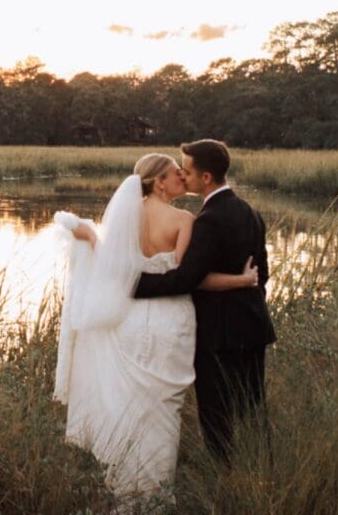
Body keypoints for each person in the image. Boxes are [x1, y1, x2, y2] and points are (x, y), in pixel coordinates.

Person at [53, 153, 257, 500]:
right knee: (163, 406)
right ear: (159, 182)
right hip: (170, 321)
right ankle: (155, 493)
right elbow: (189, 279)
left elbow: (115, 267)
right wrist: (242, 280)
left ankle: (126, 484)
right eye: (176, 174)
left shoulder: (126, 217)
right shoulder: (184, 219)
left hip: (131, 320)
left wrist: (91, 238)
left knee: (133, 401)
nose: (182, 177)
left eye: (184, 172)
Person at [133, 139, 276, 462]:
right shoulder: (251, 213)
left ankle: (224, 478)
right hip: (254, 327)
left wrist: (135, 286)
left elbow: (187, 278)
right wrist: (244, 290)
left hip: (218, 333)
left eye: (187, 170)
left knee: (216, 414)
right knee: (252, 408)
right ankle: (261, 471)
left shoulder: (209, 220)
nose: (183, 176)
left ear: (206, 178)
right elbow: (262, 274)